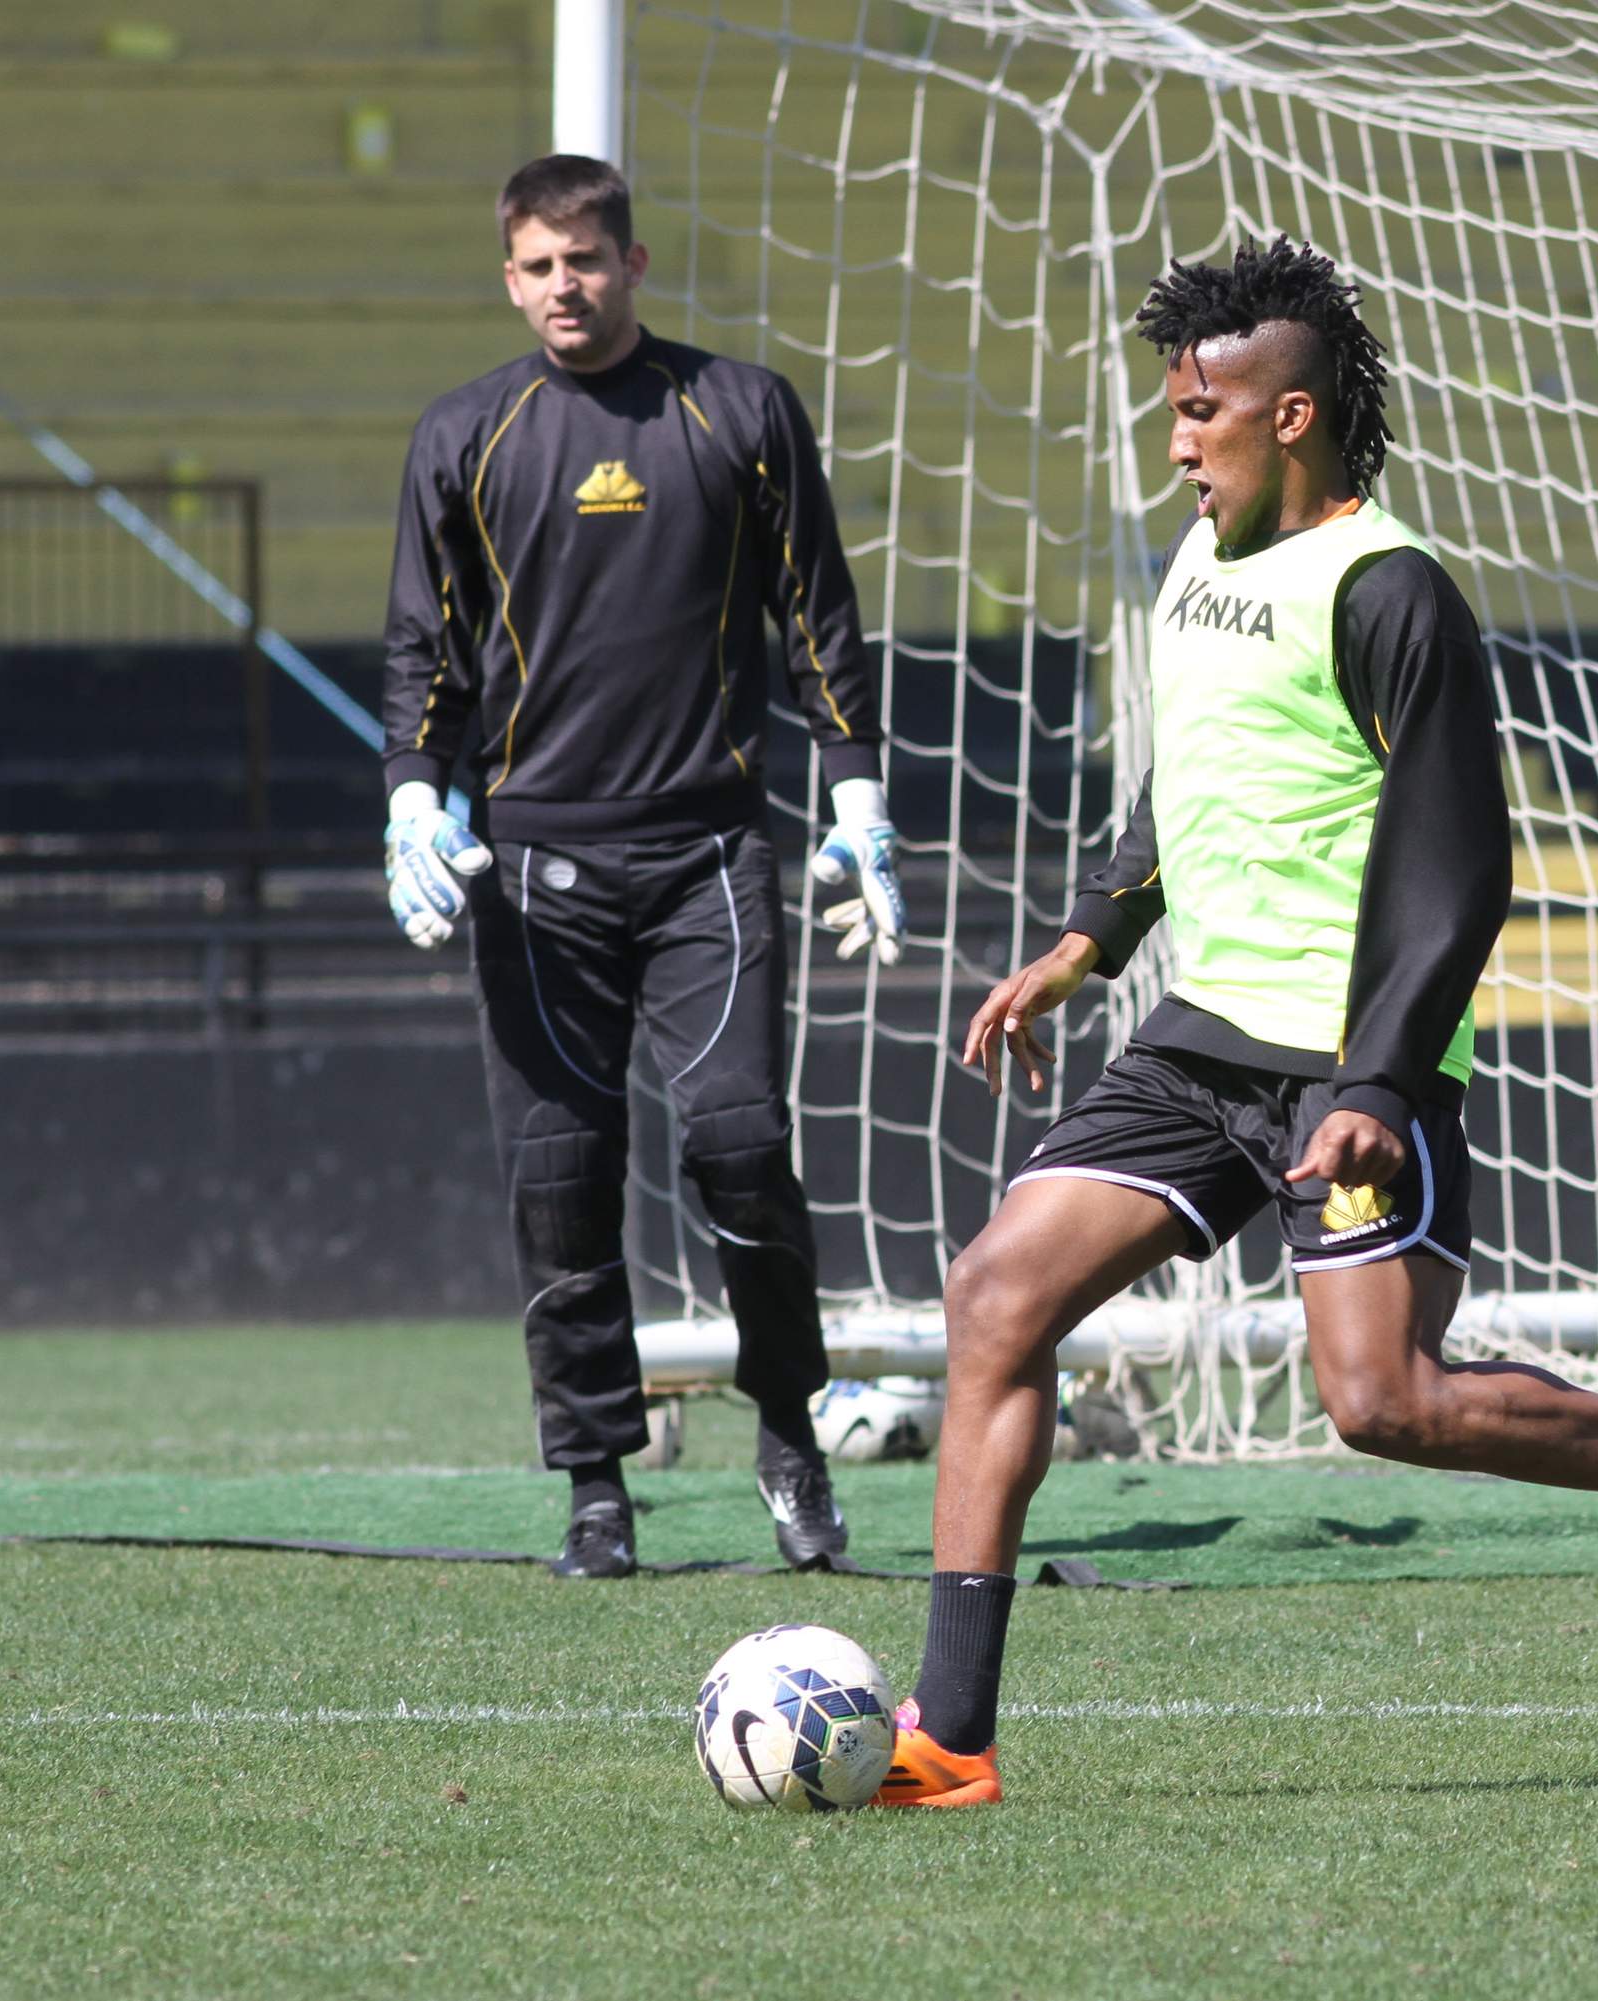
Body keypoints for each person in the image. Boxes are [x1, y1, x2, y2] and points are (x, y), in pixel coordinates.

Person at [876, 238, 1598, 1806]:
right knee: (997, 1295)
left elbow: (1461, 867)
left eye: (1199, 410)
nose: (1176, 441)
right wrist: (1087, 938)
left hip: (1347, 1068)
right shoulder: (1202, 558)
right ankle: (949, 1734)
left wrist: (1383, 1082)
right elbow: (1190, 773)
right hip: (1197, 1043)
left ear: (1292, 415)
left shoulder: (1390, 590)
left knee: (1386, 1403)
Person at [377, 155, 906, 1579]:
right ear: (510, 278)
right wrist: (413, 798)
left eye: (588, 260)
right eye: (540, 266)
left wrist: (856, 791)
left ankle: (789, 1434)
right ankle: (596, 1489)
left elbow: (818, 617)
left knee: (740, 1146)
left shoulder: (738, 410)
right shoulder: (464, 433)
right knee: (561, 1179)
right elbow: (424, 648)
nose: (567, 286)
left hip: (708, 861)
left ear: (634, 264)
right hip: (536, 874)